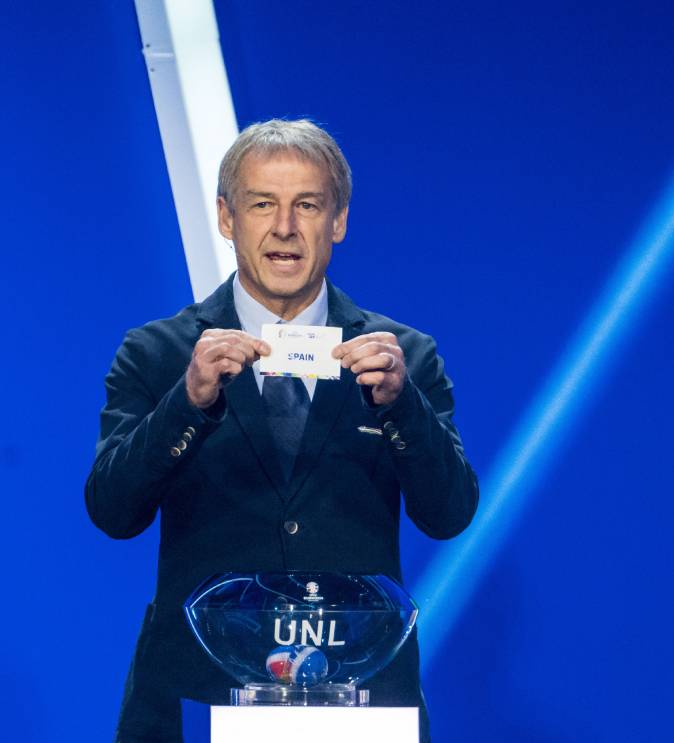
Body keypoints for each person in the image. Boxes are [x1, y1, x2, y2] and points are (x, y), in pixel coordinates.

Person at [86, 119, 478, 742]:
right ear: (226, 216)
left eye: (308, 205)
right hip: (196, 701)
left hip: (359, 705)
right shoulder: (157, 354)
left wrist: (404, 408)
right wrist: (185, 403)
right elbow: (113, 511)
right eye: (262, 203)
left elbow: (449, 514)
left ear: (339, 221)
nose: (285, 227)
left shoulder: (403, 357)